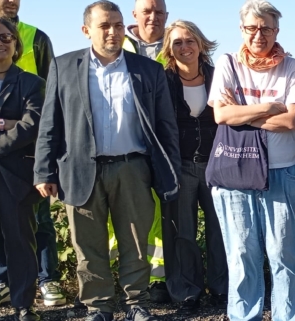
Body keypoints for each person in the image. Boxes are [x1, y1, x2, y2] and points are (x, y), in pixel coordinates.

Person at [33, 1, 180, 320]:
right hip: (80, 170)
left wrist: (170, 170)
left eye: (116, 24)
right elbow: (50, 123)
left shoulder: (147, 70)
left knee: (136, 242)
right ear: (87, 31)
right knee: (89, 246)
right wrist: (44, 170)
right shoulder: (63, 66)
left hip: (133, 169)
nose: (112, 31)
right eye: (104, 26)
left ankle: (136, 302)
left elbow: (166, 127)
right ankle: (98, 306)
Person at [205, 1, 295, 320]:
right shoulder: (227, 64)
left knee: (286, 255)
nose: (258, 34)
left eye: (266, 28)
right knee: (241, 255)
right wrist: (269, 107)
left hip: (283, 170)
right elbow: (221, 114)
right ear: (242, 30)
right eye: (252, 27)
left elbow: (292, 121)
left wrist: (243, 113)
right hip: (235, 174)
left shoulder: (293, 68)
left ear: (277, 31)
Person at [0, 0, 66, 310]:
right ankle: (0, 281)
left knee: (37, 217)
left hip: (27, 145)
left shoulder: (37, 36)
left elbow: (51, 90)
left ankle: (47, 280)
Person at [0, 15, 44, 321]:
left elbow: (33, 125)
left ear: (15, 43)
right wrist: (2, 123)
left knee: (20, 240)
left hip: (17, 173)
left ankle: (23, 306)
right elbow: (19, 124)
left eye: (5, 37)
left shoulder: (33, 83)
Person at [159, 19, 227, 314]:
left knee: (221, 230)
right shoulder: (162, 80)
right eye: (177, 42)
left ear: (201, 44)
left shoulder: (219, 76)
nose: (184, 47)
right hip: (180, 167)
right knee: (182, 232)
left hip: (218, 165)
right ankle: (188, 292)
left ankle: (223, 288)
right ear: (169, 49)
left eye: (189, 40)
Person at [119, 0, 171, 302]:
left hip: (162, 145)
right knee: (118, 218)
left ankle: (157, 279)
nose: (153, 17)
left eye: (159, 11)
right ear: (134, 15)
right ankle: (118, 275)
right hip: (124, 145)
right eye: (147, 11)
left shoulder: (177, 43)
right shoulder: (116, 45)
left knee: (158, 217)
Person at [124, 0, 168, 64]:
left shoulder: (177, 45)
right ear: (135, 15)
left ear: (166, 16)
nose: (153, 18)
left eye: (159, 13)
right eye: (146, 12)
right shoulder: (119, 42)